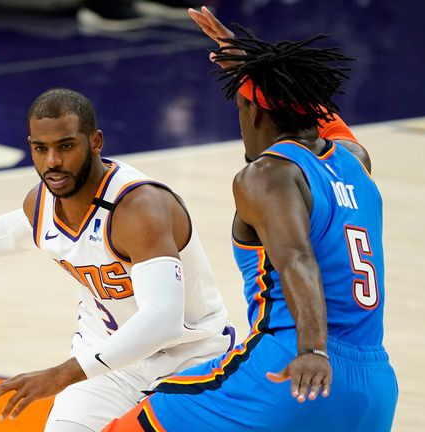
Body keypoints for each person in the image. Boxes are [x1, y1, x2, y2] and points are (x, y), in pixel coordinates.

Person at [103, 6, 398, 431]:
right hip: (374, 388)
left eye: (241, 108)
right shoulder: (355, 160)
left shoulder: (267, 174)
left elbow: (297, 258)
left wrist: (312, 350)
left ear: (256, 112)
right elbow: (315, 112)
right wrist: (253, 66)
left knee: (135, 423)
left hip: (289, 367)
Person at [0, 87, 235, 432]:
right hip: (108, 360)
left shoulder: (138, 209)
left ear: (96, 142)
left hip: (190, 361)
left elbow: (163, 321)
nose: (52, 161)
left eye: (66, 146)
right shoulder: (41, 204)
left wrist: (60, 375)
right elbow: (14, 230)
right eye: (41, 149)